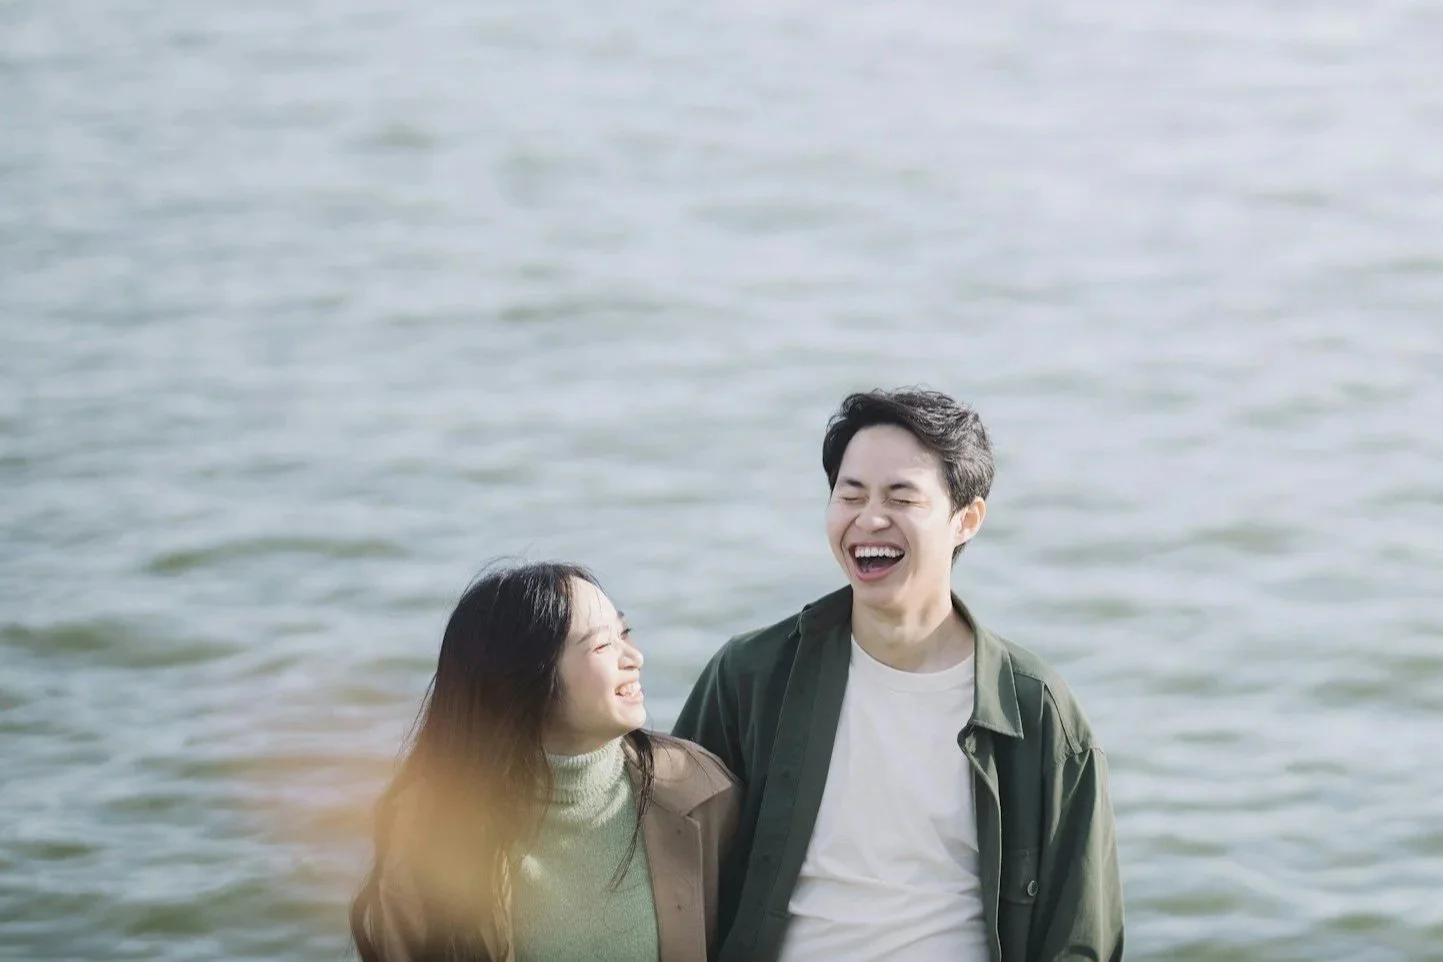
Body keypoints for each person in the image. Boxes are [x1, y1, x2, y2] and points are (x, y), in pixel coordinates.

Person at [673, 388, 1124, 962]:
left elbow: (1080, 938)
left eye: (900, 497)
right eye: (850, 494)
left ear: (967, 519)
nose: (869, 518)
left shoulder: (1037, 712)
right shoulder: (752, 676)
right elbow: (665, 851)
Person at [351, 560, 740, 962]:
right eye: (603, 645)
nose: (634, 657)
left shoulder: (700, 792)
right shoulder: (428, 823)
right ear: (527, 681)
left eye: (624, 634)